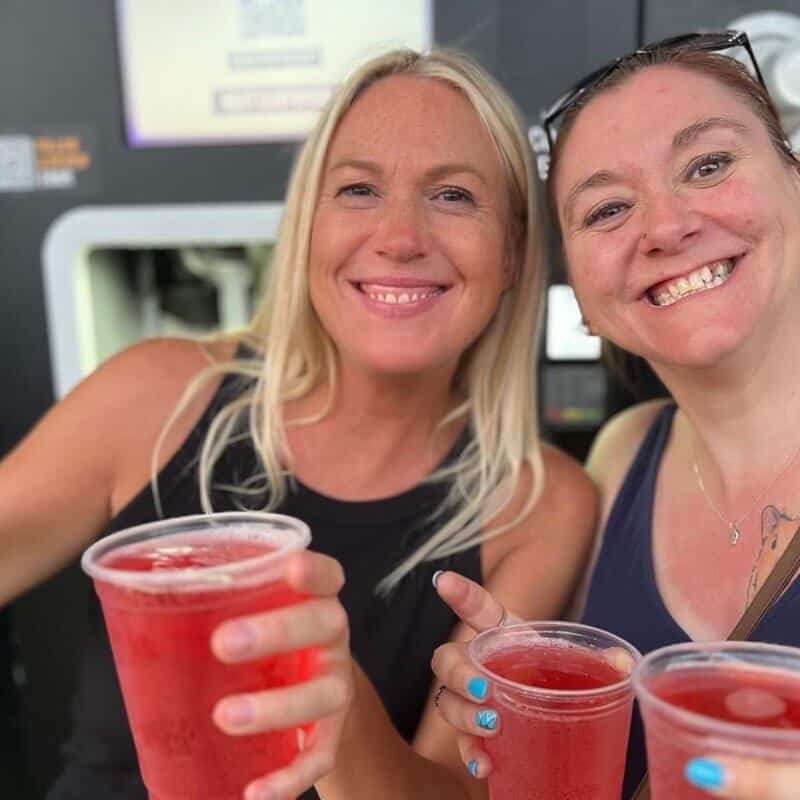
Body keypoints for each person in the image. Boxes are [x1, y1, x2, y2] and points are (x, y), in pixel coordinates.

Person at [0, 48, 597, 800]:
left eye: (452, 195)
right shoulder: (156, 396)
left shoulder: (540, 508)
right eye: (357, 188)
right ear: (306, 228)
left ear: (513, 250)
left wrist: (330, 690)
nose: (400, 235)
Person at [430, 30, 800, 800]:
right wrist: (514, 709)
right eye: (606, 209)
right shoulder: (621, 456)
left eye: (709, 165)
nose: (664, 228)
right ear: (585, 299)